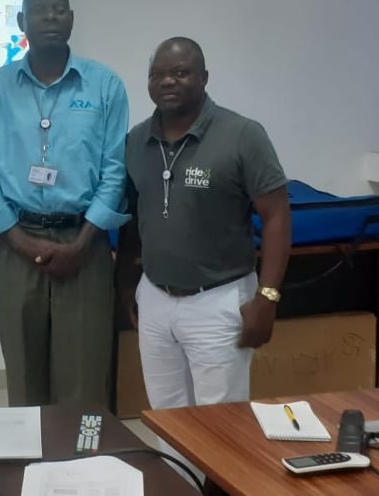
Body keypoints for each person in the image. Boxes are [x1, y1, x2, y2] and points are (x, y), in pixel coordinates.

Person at [0, 0, 129, 407]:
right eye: (39, 10)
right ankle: (29, 450)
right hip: (16, 244)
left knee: (84, 372)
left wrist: (82, 242)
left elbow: (114, 170)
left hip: (85, 243)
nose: (50, 17)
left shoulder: (105, 86)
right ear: (21, 22)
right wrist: (19, 240)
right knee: (24, 369)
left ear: (72, 19)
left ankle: (79, 450)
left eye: (59, 9)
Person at [116, 35, 291, 411]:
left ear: (204, 77)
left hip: (219, 300)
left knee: (220, 422)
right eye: (157, 74)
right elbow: (133, 217)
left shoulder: (242, 135)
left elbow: (277, 217)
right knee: (166, 414)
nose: (167, 81)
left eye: (180, 72)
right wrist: (127, 282)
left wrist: (267, 298)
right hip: (155, 297)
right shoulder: (136, 141)